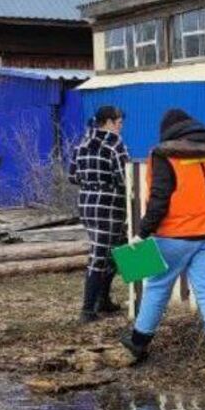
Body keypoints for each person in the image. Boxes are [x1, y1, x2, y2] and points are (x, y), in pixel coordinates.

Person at [122, 108, 205, 363]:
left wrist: (142, 232)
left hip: (175, 235)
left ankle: (138, 343)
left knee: (158, 287)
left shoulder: (164, 155)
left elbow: (159, 200)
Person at [69, 105, 130, 323]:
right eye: (119, 122)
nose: (121, 126)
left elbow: (72, 176)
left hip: (86, 204)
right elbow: (125, 178)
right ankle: (88, 309)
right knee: (102, 254)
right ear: (109, 122)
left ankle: (103, 300)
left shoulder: (82, 143)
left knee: (120, 249)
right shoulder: (115, 145)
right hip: (110, 205)